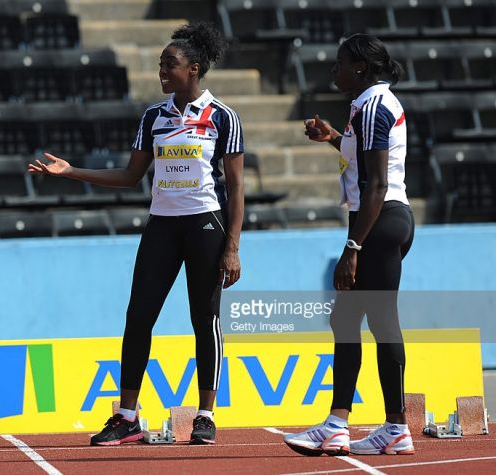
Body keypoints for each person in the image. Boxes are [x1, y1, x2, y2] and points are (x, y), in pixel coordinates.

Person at [28, 22, 244, 446]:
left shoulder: (223, 117)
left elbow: (236, 188)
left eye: (171, 65)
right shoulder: (154, 117)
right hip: (162, 225)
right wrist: (71, 171)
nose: (163, 72)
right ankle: (127, 416)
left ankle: (205, 414)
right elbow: (130, 176)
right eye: (161, 65)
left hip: (206, 225)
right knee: (139, 316)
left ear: (194, 69)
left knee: (205, 319)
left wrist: (233, 246)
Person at [283, 34, 416, 456]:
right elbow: (364, 159)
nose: (333, 71)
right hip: (377, 221)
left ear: (360, 67)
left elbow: (376, 183)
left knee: (381, 323)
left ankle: (394, 427)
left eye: (340, 63)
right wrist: (333, 138)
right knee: (345, 321)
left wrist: (352, 248)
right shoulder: (367, 105)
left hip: (379, 222)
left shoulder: (376, 105)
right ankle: (337, 424)